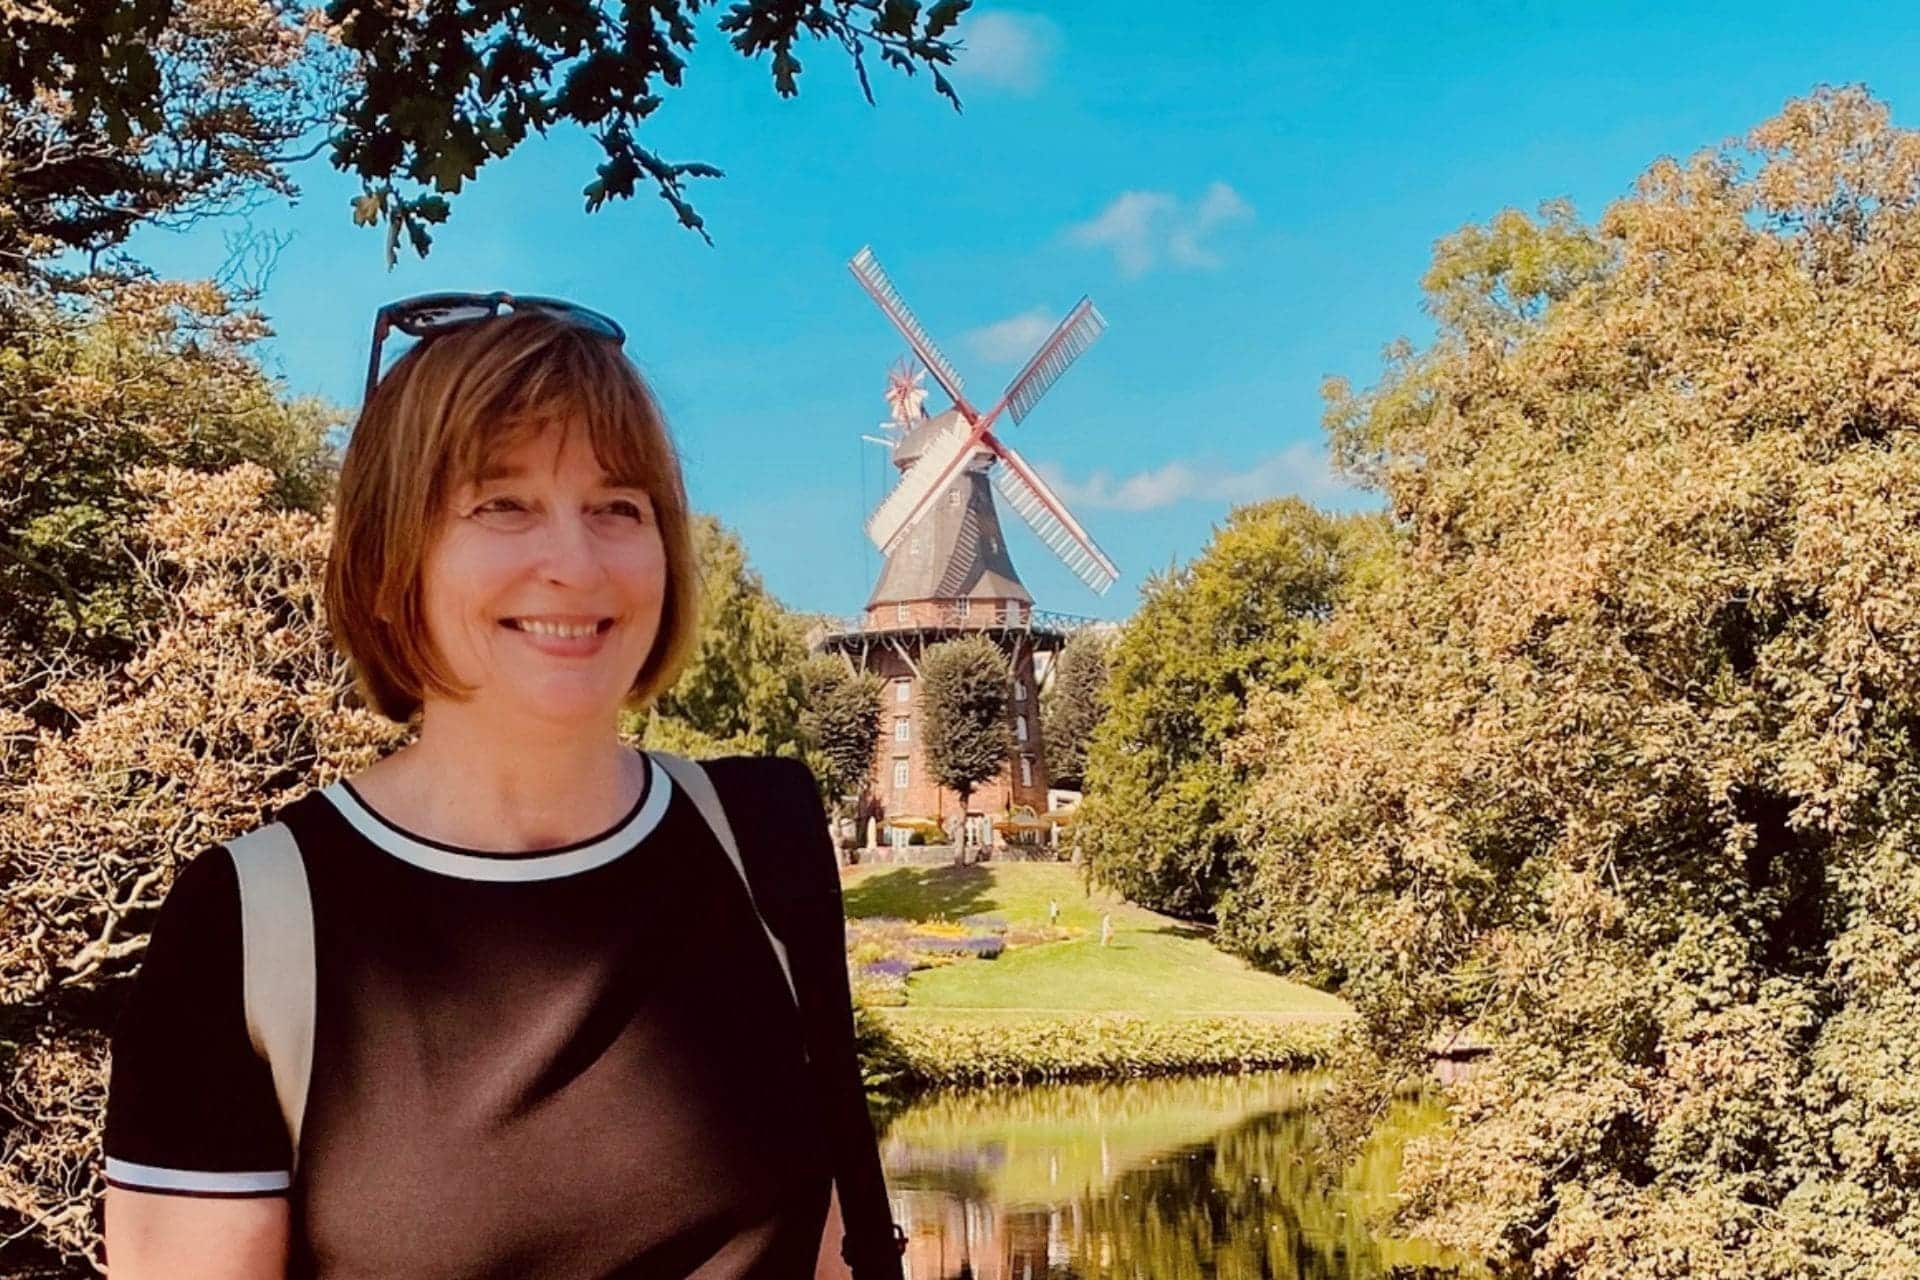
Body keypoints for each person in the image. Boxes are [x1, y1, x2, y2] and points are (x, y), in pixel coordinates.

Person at [101, 294, 905, 1279]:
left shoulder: (761, 841)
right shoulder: (246, 929)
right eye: (503, 503)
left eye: (618, 506)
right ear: (395, 555)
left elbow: (830, 1250)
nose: (573, 562)